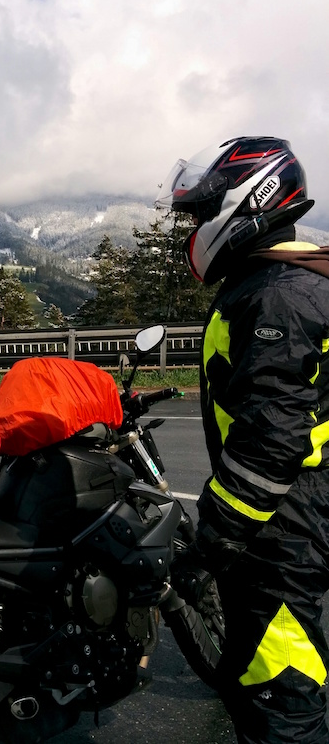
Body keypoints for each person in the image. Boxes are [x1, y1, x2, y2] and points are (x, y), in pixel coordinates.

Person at [155, 136, 329, 744]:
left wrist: (210, 545)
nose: (198, 228)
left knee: (281, 696)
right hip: (291, 515)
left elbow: (270, 444)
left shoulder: (278, 293)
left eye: (205, 213)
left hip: (282, 524)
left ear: (249, 200)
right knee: (269, 669)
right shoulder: (288, 279)